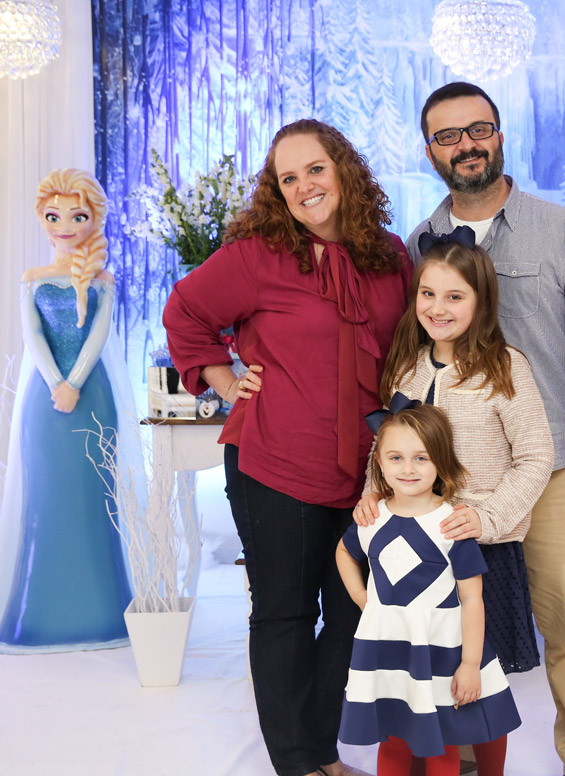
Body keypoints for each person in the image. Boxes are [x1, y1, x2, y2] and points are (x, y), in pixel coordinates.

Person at [163, 119, 411, 776]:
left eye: (315, 169)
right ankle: (303, 763)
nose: (305, 187)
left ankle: (317, 745)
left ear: (344, 170)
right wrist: (223, 379)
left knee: (361, 611)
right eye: (288, 178)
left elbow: (409, 351)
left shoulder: (390, 257)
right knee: (285, 615)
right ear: (277, 191)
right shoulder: (256, 256)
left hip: (366, 471)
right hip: (274, 462)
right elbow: (184, 312)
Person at [406, 82, 565, 776]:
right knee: (459, 625)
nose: (466, 145)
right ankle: (464, 761)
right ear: (430, 152)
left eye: (478, 129)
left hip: (559, 464)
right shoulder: (420, 243)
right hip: (461, 484)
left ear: (500, 137)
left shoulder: (560, 230)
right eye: (448, 136)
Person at [353, 237, 555, 775]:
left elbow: (536, 456)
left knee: (482, 680)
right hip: (414, 554)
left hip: (480, 550)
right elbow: (385, 446)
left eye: (455, 297)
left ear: (481, 301)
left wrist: (487, 519)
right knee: (422, 674)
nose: (438, 308)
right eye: (428, 294)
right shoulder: (407, 369)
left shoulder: (505, 368)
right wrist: (371, 495)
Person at [0, 168, 132, 653]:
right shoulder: (32, 279)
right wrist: (57, 384)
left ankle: (103, 613)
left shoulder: (103, 280)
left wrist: (75, 383)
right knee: (46, 501)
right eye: (54, 216)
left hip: (93, 400)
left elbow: (98, 336)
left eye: (77, 216)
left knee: (94, 502)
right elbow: (32, 336)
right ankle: (39, 616)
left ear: (94, 220)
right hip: (46, 404)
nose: (64, 226)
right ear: (42, 219)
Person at [336, 404, 522, 776]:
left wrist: (470, 664)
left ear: (440, 461)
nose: (408, 468)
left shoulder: (452, 523)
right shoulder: (371, 518)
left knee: (443, 742)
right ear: (380, 463)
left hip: (443, 648)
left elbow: (471, 597)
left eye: (421, 458)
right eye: (396, 457)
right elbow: (344, 551)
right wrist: (363, 599)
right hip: (390, 648)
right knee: (393, 738)